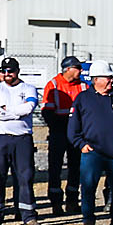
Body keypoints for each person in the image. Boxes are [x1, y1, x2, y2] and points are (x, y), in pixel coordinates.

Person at [68, 61, 113, 225]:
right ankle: (89, 220)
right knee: (89, 187)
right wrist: (80, 144)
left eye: (111, 77)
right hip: (93, 152)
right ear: (96, 79)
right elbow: (73, 127)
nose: (111, 80)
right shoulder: (83, 99)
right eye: (108, 77)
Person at [0, 56, 42, 225]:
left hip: (22, 138)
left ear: (17, 71)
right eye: (4, 71)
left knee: (25, 177)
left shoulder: (29, 88)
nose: (7, 74)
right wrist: (15, 111)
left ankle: (28, 216)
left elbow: (28, 108)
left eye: (11, 70)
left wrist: (8, 110)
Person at [40, 55, 86, 215]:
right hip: (59, 132)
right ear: (68, 69)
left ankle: (72, 201)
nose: (80, 71)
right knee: (55, 168)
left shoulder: (83, 87)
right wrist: (64, 125)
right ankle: (56, 203)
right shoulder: (53, 85)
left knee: (76, 168)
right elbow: (47, 112)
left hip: (77, 135)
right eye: (78, 68)